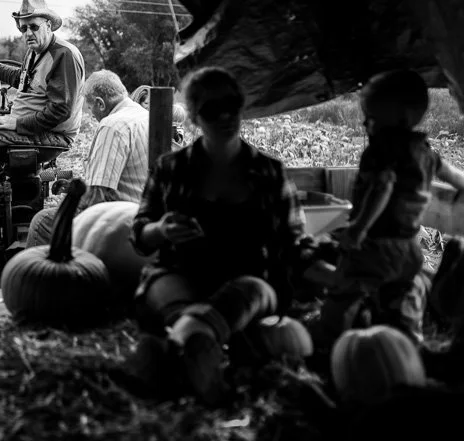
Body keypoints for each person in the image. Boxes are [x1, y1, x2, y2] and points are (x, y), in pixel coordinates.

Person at [127, 66, 306, 405]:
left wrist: (327, 266)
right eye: (211, 109)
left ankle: (178, 346)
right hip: (181, 274)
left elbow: (293, 242)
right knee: (162, 284)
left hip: (248, 279)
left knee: (251, 290)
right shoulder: (171, 168)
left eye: (232, 104)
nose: (225, 115)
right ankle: (202, 352)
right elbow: (139, 236)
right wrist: (162, 229)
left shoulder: (269, 173)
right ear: (194, 117)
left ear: (241, 106)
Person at [313, 69, 464, 347]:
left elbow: (382, 186)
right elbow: (454, 176)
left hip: (375, 244)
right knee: (400, 300)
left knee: (344, 291)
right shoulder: (426, 152)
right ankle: (407, 346)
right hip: (408, 247)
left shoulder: (381, 150)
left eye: (371, 117)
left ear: (401, 117)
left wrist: (358, 229)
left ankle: (327, 344)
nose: (364, 123)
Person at [0, 0, 86, 232]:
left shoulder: (63, 55)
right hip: (32, 128)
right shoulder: (36, 52)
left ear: (48, 25)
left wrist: (16, 123)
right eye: (23, 28)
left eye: (33, 26)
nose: (27, 33)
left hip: (50, 136)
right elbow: (22, 79)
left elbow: (61, 110)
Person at [25, 70, 149, 247]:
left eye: (90, 109)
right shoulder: (143, 115)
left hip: (122, 217)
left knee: (42, 222)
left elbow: (100, 194)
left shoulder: (112, 125)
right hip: (143, 209)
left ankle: (44, 273)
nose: (92, 115)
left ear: (100, 104)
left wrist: (72, 201)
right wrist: (73, 188)